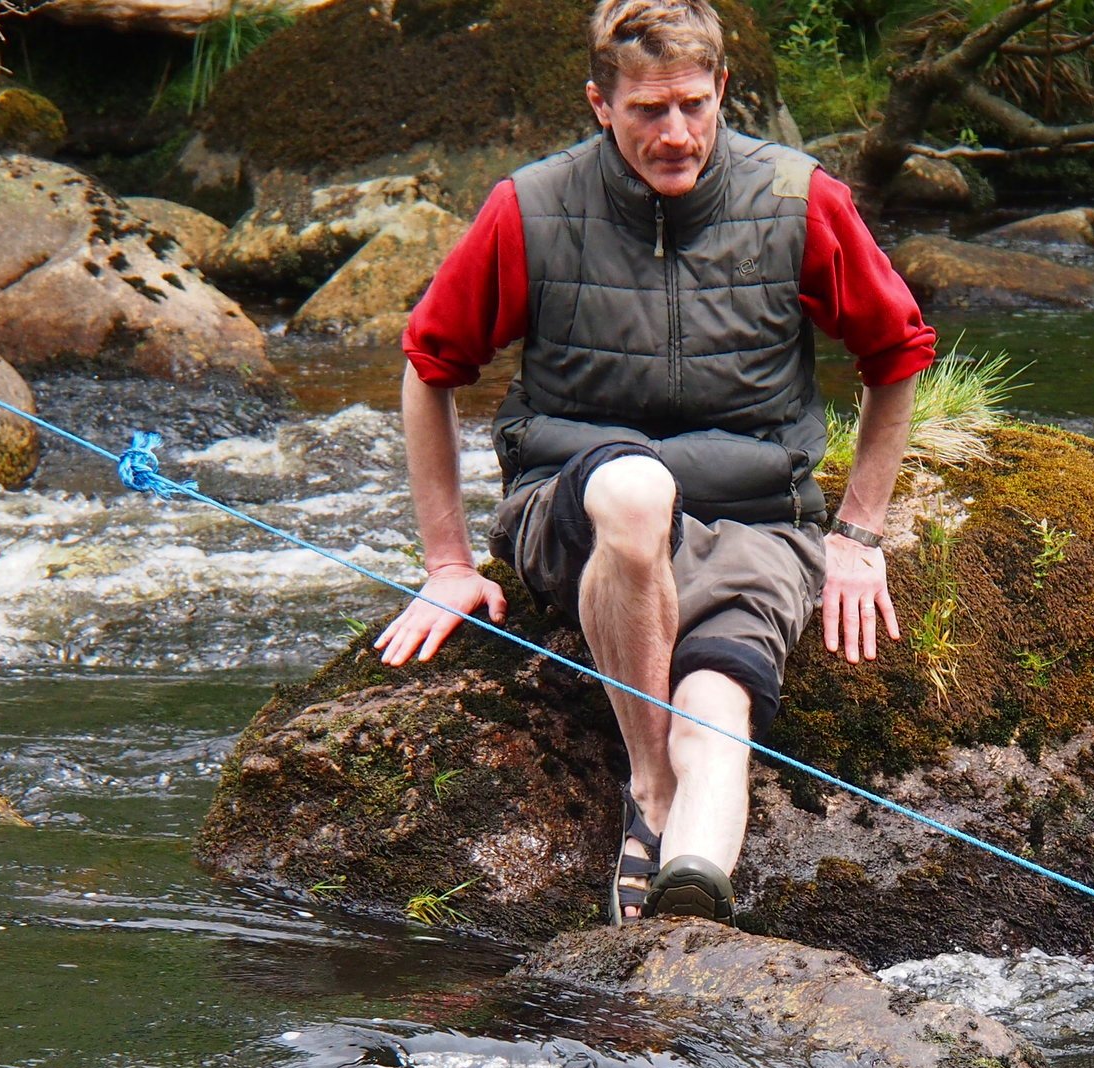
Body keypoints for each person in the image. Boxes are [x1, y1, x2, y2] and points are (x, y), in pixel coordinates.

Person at [374, 0, 936, 922]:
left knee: (718, 710)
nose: (675, 135)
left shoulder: (798, 199)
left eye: (692, 106)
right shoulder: (531, 207)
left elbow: (899, 354)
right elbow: (429, 365)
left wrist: (859, 531)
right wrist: (446, 563)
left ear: (721, 90)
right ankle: (650, 789)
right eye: (646, 112)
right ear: (601, 104)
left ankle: (688, 903)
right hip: (579, 503)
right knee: (638, 491)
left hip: (754, 523)